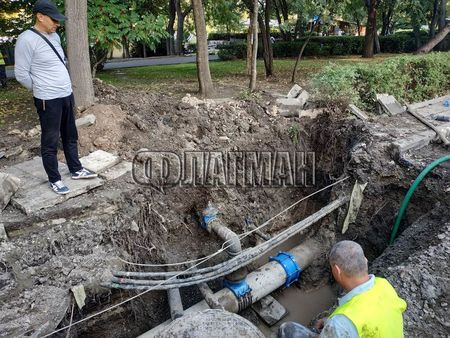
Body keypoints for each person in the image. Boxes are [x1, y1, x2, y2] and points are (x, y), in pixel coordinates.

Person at [15, 0, 97, 195]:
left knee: (70, 135)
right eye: (54, 20)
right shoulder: (26, 39)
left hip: (66, 94)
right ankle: (55, 179)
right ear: (40, 16)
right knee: (50, 140)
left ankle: (76, 170)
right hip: (47, 99)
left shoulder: (55, 37)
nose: (57, 24)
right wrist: (41, 88)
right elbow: (21, 74)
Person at [279, 240, 407, 338]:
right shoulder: (383, 285)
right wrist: (329, 323)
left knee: (287, 330)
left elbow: (346, 323)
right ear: (365, 261)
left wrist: (334, 327)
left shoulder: (342, 322)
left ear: (336, 270)